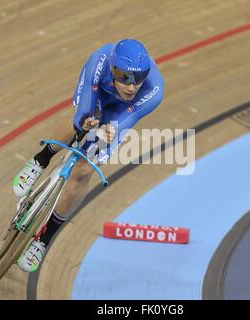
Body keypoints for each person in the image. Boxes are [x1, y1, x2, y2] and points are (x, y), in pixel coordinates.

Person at [12, 39, 165, 272]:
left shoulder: (154, 89)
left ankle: (43, 240)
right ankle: (40, 160)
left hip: (120, 112)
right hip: (97, 96)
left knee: (84, 170)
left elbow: (126, 119)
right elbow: (84, 107)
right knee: (78, 123)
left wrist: (110, 131)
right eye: (124, 77)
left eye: (138, 77)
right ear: (113, 69)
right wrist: (85, 120)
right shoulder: (99, 62)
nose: (131, 86)